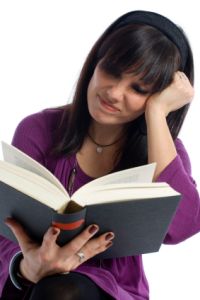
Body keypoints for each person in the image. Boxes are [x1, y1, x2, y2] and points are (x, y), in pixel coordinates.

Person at [1, 9, 200, 300]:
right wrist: (27, 267)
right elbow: (6, 229)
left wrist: (157, 116)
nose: (114, 93)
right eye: (112, 72)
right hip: (29, 279)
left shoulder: (164, 149)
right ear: (95, 63)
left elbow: (183, 227)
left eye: (139, 88)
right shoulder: (38, 129)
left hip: (112, 290)